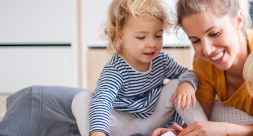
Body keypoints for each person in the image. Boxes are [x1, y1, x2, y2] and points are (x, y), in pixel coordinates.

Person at [71, 0, 207, 135]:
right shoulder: (115, 69)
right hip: (121, 126)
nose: (152, 44)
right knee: (82, 98)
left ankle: (205, 130)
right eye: (141, 37)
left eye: (158, 36)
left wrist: (187, 83)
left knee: (178, 85)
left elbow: (186, 73)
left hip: (153, 121)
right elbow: (102, 103)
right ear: (120, 36)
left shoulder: (161, 59)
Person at [152, 0, 253, 135]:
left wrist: (224, 130)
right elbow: (200, 120)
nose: (207, 50)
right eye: (195, 41)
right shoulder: (204, 62)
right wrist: (183, 133)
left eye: (214, 33)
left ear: (238, 20)